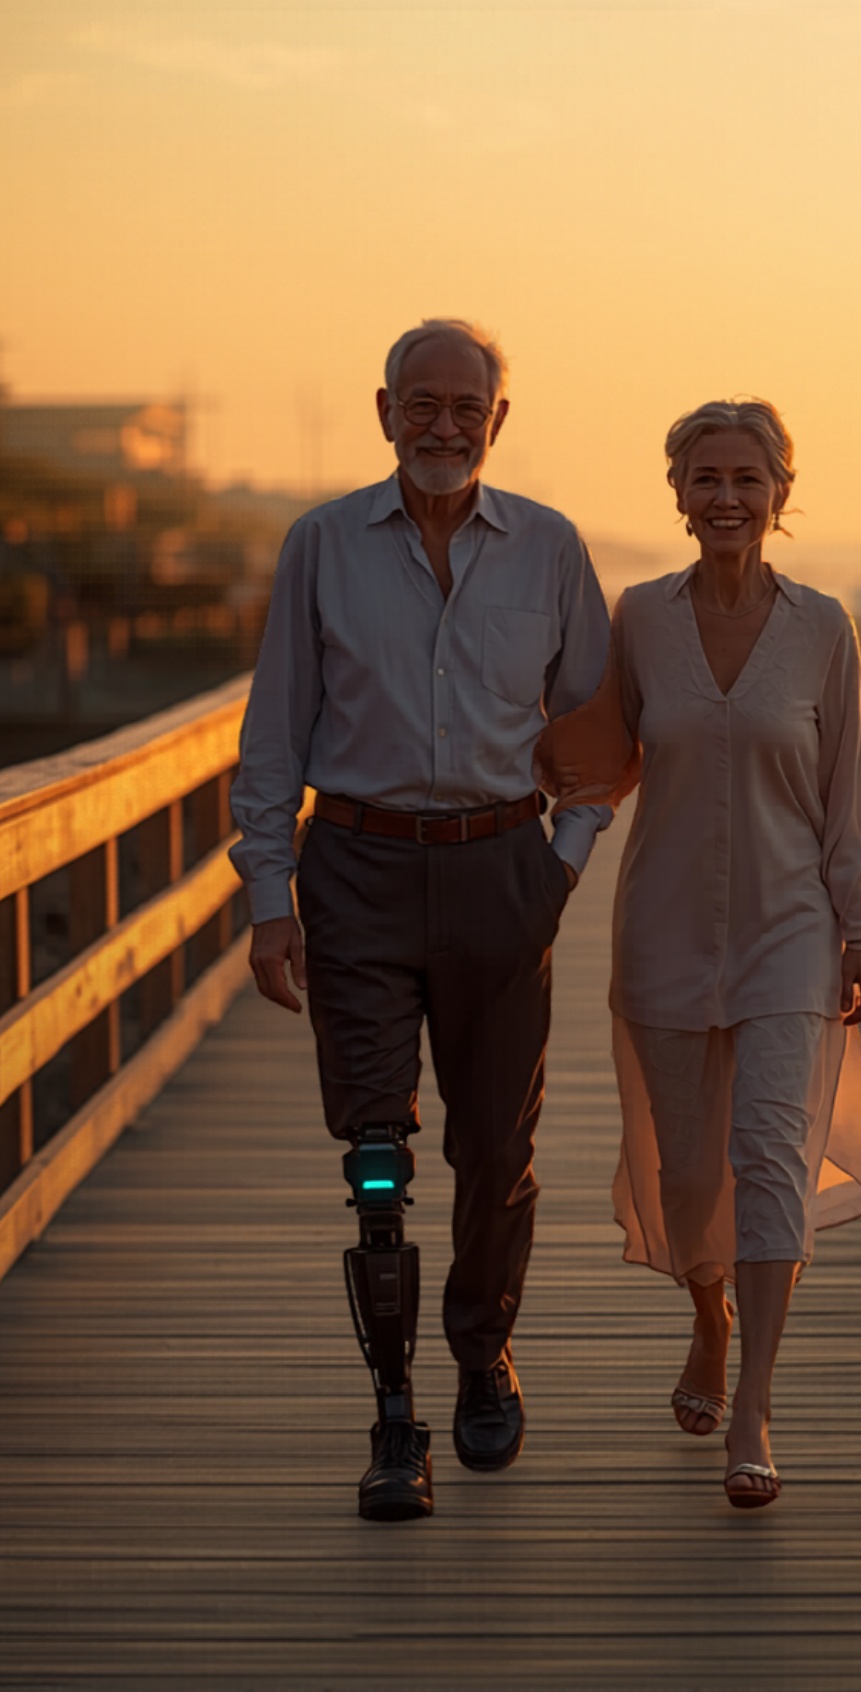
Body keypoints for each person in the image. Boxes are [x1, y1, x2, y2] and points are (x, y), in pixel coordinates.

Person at [229, 318, 610, 1521]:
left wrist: (560, 867)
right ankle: (395, 1414)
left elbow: (599, 736)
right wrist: (270, 900)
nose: (444, 425)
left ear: (500, 419)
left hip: (502, 873)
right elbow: (273, 734)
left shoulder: (550, 547)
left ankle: (483, 1350)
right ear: (384, 410)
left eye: (467, 407)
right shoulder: (321, 543)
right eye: (422, 403)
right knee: (377, 1156)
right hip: (357, 871)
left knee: (497, 1151)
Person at [535, 399, 861, 1510]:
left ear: (782, 494)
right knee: (688, 1174)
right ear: (678, 495)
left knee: (772, 1161)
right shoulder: (639, 617)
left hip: (792, 928)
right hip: (666, 926)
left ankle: (755, 1407)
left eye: (747, 479)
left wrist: (858, 924)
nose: (726, 497)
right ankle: (708, 1315)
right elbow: (599, 752)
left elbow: (850, 787)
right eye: (707, 478)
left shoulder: (824, 629)